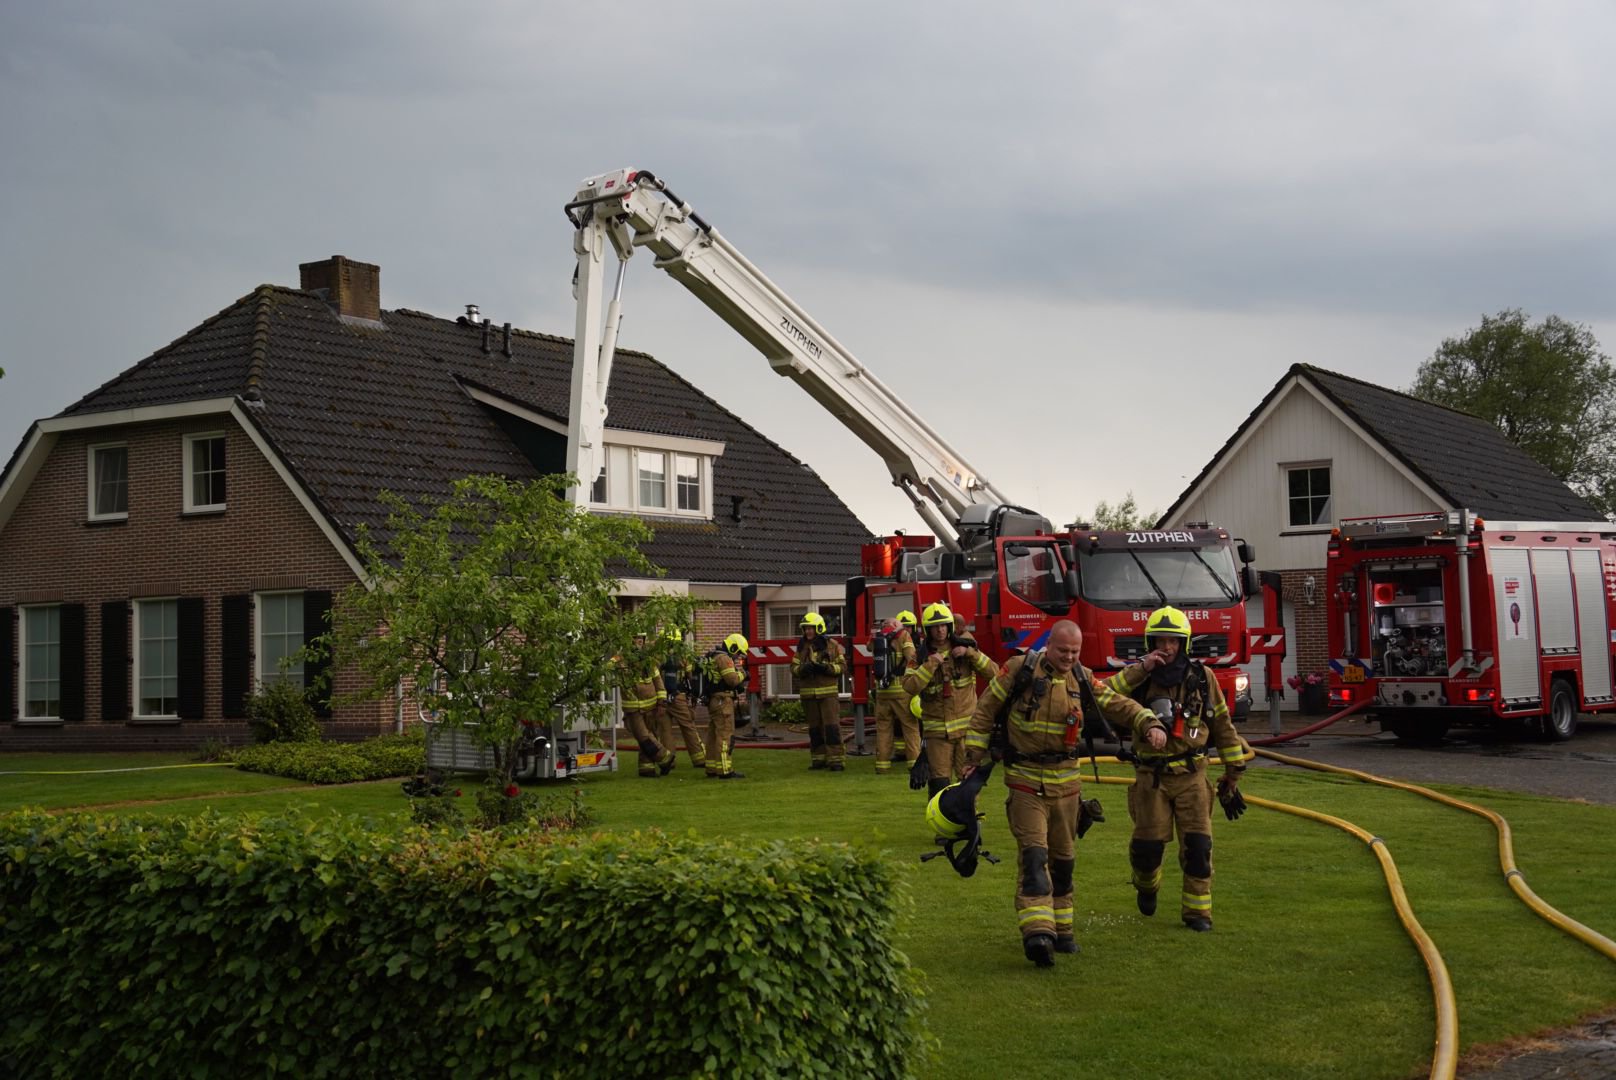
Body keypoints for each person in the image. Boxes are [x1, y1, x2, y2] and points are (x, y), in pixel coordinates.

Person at [963, 620, 1157, 967]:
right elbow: (985, 710)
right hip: (1024, 780)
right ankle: (1037, 934)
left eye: (1075, 652)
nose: (1068, 657)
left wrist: (1147, 721)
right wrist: (972, 757)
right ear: (1048, 645)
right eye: (1063, 650)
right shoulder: (1019, 669)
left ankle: (1063, 931)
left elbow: (1113, 701)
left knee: (1064, 862)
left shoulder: (1080, 678)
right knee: (1035, 857)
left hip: (1067, 785)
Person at [1103, 605, 1250, 932]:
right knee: (1147, 850)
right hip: (1151, 779)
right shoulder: (1138, 678)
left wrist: (1233, 773)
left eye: (1173, 641)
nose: (1167, 648)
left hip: (1193, 777)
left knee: (1198, 848)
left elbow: (1223, 726)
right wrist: (1141, 670)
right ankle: (1146, 884)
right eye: (1160, 641)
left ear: (1184, 644)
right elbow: (1102, 696)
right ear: (1149, 642)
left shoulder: (1202, 678)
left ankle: (1198, 913)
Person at [903, 602, 994, 798]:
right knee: (939, 785)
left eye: (944, 625)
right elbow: (909, 686)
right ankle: (942, 827)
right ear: (928, 630)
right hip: (937, 735)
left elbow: (995, 673)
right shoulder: (919, 656)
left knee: (968, 784)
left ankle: (971, 827)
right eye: (935, 626)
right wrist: (930, 664)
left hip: (966, 733)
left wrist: (971, 654)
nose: (940, 630)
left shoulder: (966, 648)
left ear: (950, 626)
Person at [792, 612, 846, 771]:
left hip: (828, 695)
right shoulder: (801, 647)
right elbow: (793, 668)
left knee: (832, 728)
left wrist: (826, 668)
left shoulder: (832, 645)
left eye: (811, 628)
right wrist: (803, 669)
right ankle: (818, 759)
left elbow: (842, 667)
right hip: (809, 695)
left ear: (819, 628)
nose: (808, 632)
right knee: (815, 729)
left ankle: (836, 760)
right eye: (806, 629)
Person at [618, 633, 674, 778]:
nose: (640, 642)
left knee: (651, 735)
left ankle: (646, 769)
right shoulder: (623, 661)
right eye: (637, 638)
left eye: (642, 639)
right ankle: (665, 758)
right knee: (644, 737)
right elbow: (625, 686)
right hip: (634, 708)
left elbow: (658, 682)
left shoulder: (649, 661)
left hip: (652, 706)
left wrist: (662, 703)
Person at [872, 611, 920, 774]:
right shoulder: (904, 636)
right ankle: (914, 765)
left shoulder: (878, 639)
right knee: (910, 727)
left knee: (883, 729)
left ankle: (882, 766)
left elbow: (868, 647)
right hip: (901, 691)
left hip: (882, 691)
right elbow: (912, 658)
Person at [701, 633, 749, 779]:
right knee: (725, 734)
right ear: (733, 647)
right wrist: (744, 675)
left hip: (714, 700)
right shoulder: (724, 658)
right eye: (738, 653)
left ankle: (711, 768)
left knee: (713, 735)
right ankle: (725, 770)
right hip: (722, 701)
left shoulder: (713, 656)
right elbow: (732, 680)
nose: (737, 658)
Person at [659, 627, 706, 771]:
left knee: (665, 730)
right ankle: (699, 759)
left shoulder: (657, 656)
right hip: (678, 697)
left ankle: (669, 760)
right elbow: (690, 676)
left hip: (661, 698)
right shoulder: (683, 656)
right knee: (688, 726)